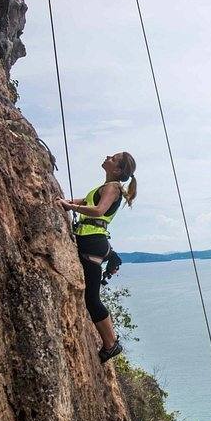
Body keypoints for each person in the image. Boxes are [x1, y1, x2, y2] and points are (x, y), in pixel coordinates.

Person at [58, 152, 137, 363]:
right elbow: (85, 200)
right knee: (91, 298)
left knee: (92, 299)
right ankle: (111, 342)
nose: (108, 156)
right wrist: (65, 201)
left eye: (113, 158)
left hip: (93, 242)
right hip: (91, 242)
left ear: (118, 170)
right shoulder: (105, 187)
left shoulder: (112, 188)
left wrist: (70, 207)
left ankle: (111, 344)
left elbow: (99, 210)